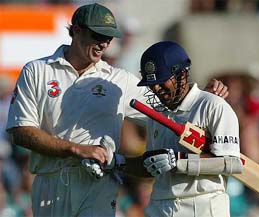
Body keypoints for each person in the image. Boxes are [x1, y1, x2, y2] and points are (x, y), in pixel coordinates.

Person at [6, 3, 229, 217]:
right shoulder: (37, 71)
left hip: (98, 184)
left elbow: (173, 108)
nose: (104, 43)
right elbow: (21, 131)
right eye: (98, 35)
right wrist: (76, 149)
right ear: (76, 30)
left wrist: (203, 96)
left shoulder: (118, 80)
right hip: (50, 181)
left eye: (109, 38)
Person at [124, 41, 243, 217]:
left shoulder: (213, 106)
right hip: (159, 206)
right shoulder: (156, 115)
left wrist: (179, 161)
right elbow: (151, 165)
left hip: (202, 206)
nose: (156, 88)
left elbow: (232, 163)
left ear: (182, 74)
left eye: (162, 80)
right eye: (152, 83)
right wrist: (114, 161)